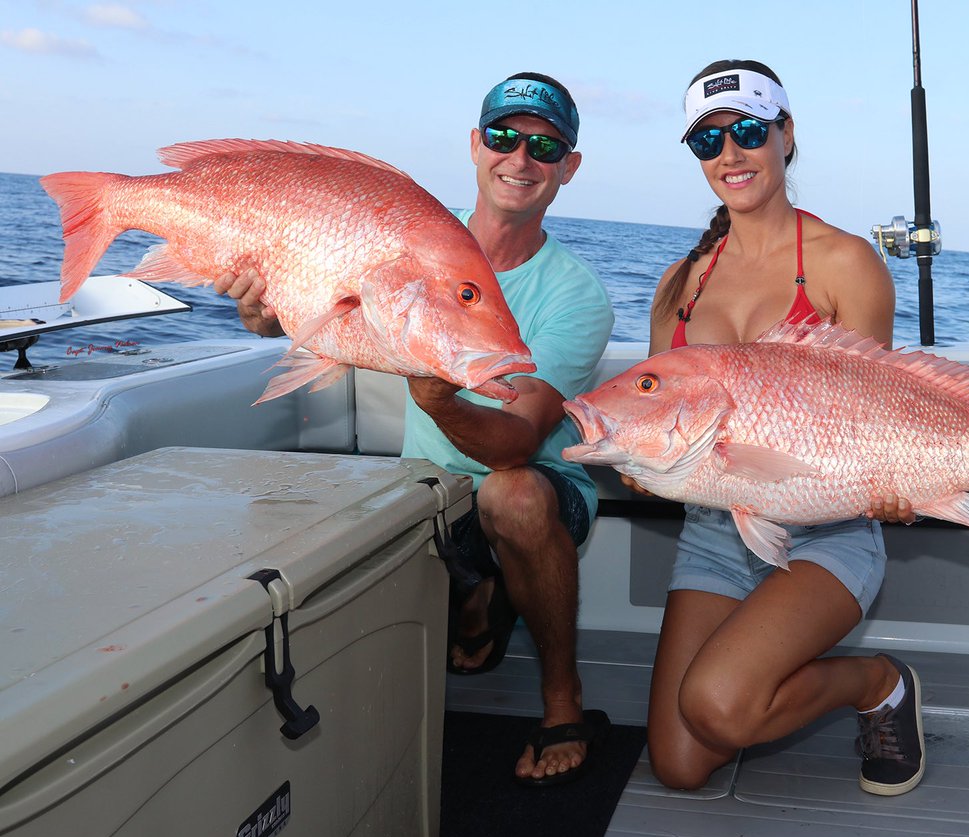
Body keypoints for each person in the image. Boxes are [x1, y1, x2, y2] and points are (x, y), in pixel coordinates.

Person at [216, 72, 615, 786]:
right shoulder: (409, 236)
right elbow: (324, 307)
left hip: (540, 491)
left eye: (545, 147)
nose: (519, 159)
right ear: (475, 145)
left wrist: (439, 399)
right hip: (428, 487)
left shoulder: (576, 293)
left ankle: (562, 699)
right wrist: (272, 311)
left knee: (512, 497)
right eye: (503, 137)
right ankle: (474, 594)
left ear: (569, 168)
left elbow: (519, 441)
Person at [631, 59, 925, 796]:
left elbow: (880, 415)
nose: (731, 154)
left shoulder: (846, 262)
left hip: (827, 532)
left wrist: (899, 481)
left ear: (786, 135)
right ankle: (770, 666)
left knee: (719, 705)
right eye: (708, 141)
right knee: (679, 761)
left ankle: (876, 682)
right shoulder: (681, 282)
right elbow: (656, 411)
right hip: (715, 528)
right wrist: (634, 457)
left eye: (749, 131)